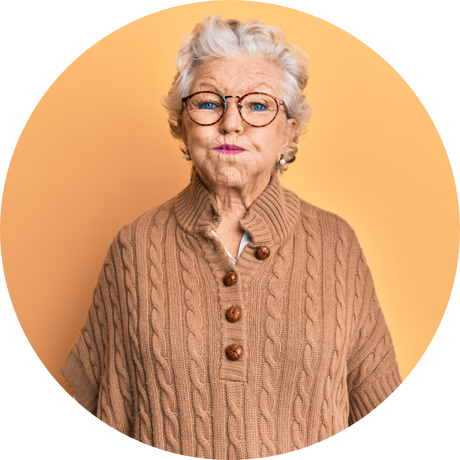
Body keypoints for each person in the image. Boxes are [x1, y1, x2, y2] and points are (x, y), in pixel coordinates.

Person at [61, 15, 404, 459]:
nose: (231, 124)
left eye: (258, 105)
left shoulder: (336, 243)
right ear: (181, 124)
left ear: (290, 132)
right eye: (208, 103)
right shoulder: (135, 245)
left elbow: (383, 420)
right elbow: (96, 411)